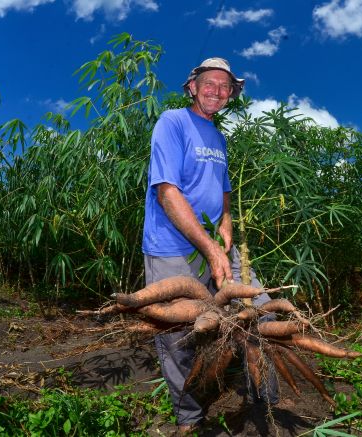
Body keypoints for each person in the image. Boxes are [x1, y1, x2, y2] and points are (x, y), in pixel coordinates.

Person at [142, 57, 278, 434]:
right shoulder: (172, 122)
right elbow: (168, 192)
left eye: (225, 87)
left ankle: (265, 402)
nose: (217, 91)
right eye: (210, 83)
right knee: (178, 337)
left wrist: (225, 228)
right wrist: (210, 247)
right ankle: (189, 419)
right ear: (192, 86)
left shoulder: (218, 137)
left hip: (217, 247)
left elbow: (223, 194)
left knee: (262, 313)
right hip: (172, 248)